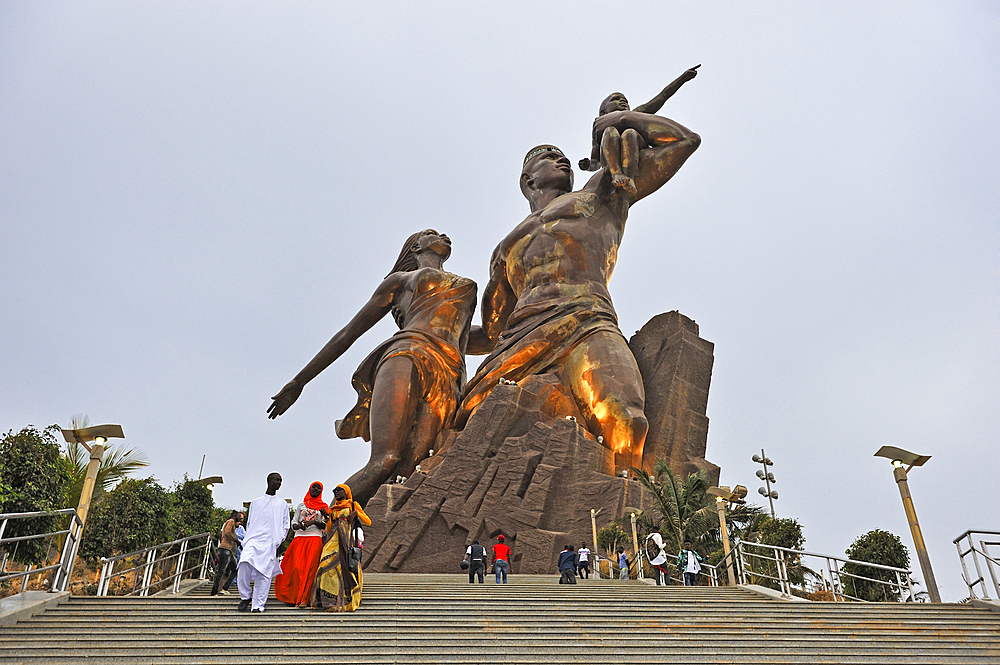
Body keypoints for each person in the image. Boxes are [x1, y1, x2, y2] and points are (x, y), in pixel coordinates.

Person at [456, 112, 700, 477]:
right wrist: (437, 339)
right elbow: (491, 332)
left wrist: (622, 118)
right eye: (549, 156)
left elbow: (683, 142)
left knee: (626, 419)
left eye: (564, 156)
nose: (562, 159)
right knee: (472, 430)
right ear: (529, 179)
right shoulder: (506, 247)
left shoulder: (599, 194)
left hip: (588, 319)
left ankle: (626, 509)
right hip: (519, 341)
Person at [268, 230, 477, 507]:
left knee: (414, 469)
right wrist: (300, 381)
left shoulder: (466, 286)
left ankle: (377, 540)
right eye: (431, 233)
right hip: (407, 354)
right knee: (384, 460)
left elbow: (478, 336)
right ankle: (324, 526)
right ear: (416, 246)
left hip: (449, 373)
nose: (443, 235)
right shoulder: (400, 281)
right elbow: (348, 333)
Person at [579, 66, 700, 195]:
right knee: (610, 131)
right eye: (616, 99)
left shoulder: (634, 114)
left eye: (625, 100)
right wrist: (587, 165)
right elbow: (596, 162)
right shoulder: (598, 127)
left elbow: (662, 97)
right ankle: (617, 173)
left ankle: (629, 177)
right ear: (603, 112)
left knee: (629, 133)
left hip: (635, 152)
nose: (622, 102)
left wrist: (682, 79)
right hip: (611, 161)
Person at [312, 483, 371, 612]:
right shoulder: (332, 509)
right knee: (324, 565)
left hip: (347, 540)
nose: (336, 492)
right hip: (333, 540)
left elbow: (368, 521)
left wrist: (356, 513)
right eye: (334, 490)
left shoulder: (353, 505)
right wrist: (327, 517)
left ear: (346, 492)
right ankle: (329, 600)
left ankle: (346, 599)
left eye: (339, 490)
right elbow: (328, 528)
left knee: (346, 567)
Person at [237, 473, 290, 613]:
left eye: (280, 480)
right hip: (253, 540)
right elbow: (249, 522)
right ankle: (245, 596)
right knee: (243, 564)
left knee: (264, 573)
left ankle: (258, 605)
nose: (279, 482)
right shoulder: (255, 502)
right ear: (268, 481)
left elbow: (286, 525)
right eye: (276, 479)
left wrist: (279, 539)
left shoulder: (283, 504)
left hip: (270, 542)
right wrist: (248, 537)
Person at [275, 481, 328, 607]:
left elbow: (325, 525)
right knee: (296, 568)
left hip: (315, 539)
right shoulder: (301, 505)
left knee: (311, 569)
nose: (316, 490)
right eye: (314, 487)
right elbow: (294, 522)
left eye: (319, 488)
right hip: (300, 538)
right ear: (309, 489)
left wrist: (315, 522)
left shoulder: (324, 507)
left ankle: (305, 599)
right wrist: (298, 526)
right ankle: (294, 597)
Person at [211, 511, 242, 596]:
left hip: (229, 551)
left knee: (235, 569)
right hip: (225, 550)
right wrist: (236, 541)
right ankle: (214, 592)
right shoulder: (231, 521)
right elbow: (227, 533)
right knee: (221, 571)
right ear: (235, 516)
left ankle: (224, 588)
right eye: (239, 518)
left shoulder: (231, 524)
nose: (240, 521)